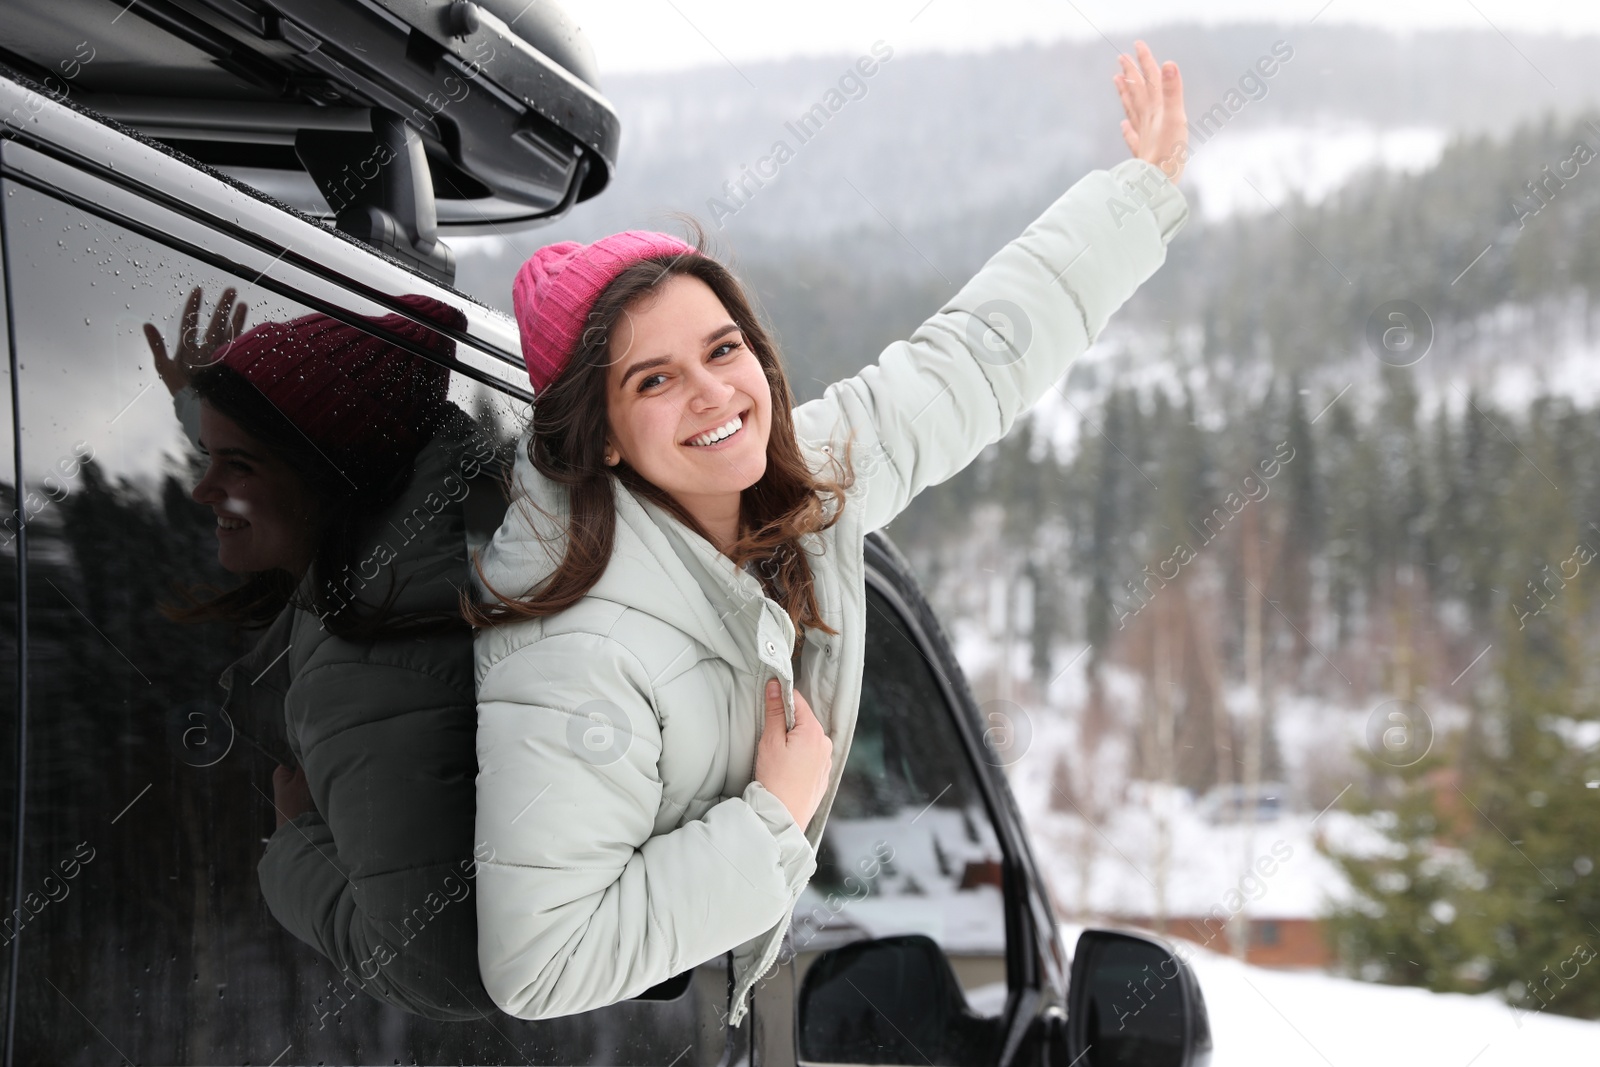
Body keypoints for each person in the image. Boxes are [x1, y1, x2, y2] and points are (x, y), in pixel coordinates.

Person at [466, 40, 1191, 1026]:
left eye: (723, 349)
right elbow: (540, 961)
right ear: (600, 440)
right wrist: (773, 816)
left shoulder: (799, 490)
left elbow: (967, 360)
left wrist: (1135, 198)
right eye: (653, 379)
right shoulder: (577, 646)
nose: (713, 393)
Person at [146, 287, 504, 1021]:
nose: (201, 488)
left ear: (327, 480)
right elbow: (317, 465)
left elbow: (434, 968)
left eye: (233, 463)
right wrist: (212, 410)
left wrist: (294, 844)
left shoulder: (364, 675)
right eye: (209, 454)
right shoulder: (419, 556)